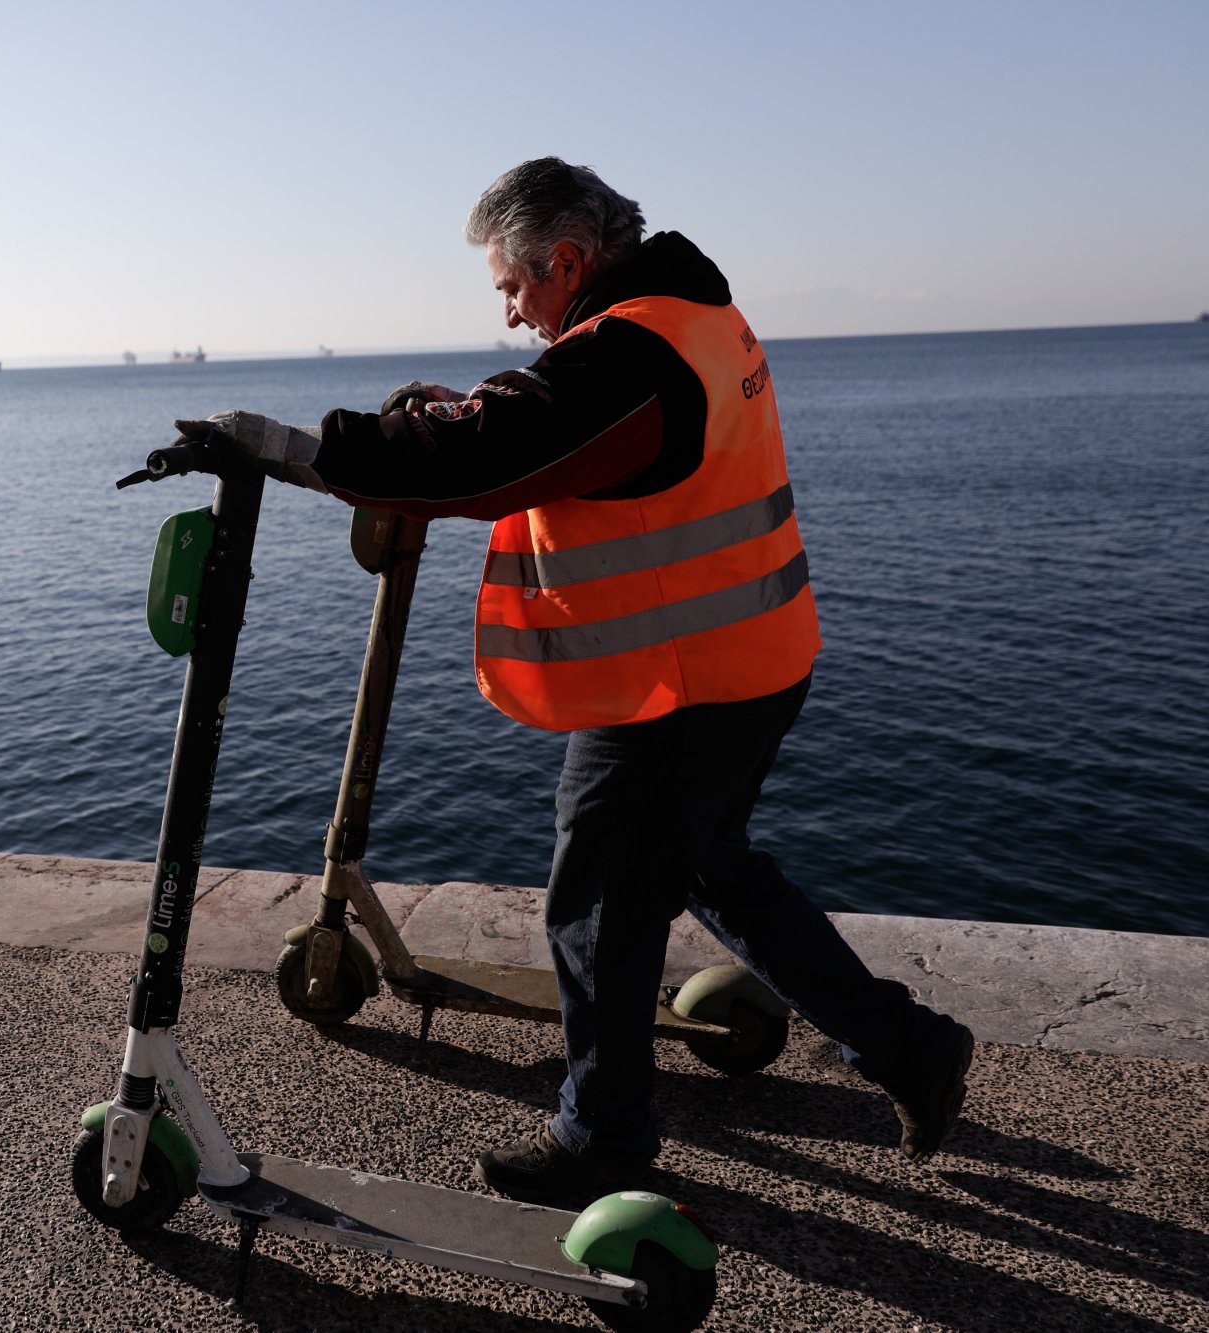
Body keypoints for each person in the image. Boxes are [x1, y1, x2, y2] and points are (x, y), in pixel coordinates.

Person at [174, 157, 974, 1206]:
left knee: (596, 900)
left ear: (566, 259)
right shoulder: (691, 315)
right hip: (755, 660)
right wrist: (465, 412)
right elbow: (568, 428)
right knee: (711, 869)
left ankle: (602, 1137)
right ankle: (906, 1046)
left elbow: (500, 452)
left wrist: (284, 447)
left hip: (672, 688)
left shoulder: (628, 355)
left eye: (512, 287)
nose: (510, 315)